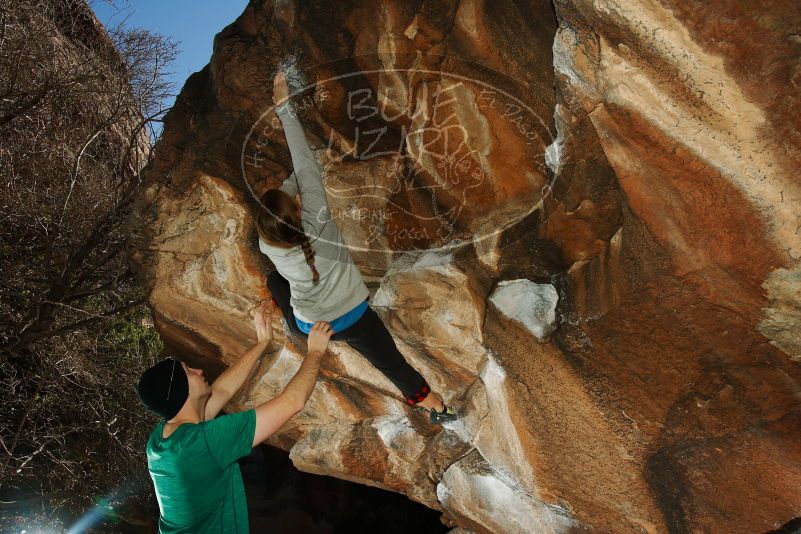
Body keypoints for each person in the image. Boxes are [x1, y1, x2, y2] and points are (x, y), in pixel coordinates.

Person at [255, 68, 456, 424]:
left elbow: (283, 202)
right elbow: (304, 165)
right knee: (393, 365)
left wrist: (290, 188)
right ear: (297, 208)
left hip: (313, 327)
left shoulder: (267, 243)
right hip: (353, 316)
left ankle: (275, 300)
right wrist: (283, 105)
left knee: (275, 282)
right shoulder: (316, 213)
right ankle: (436, 407)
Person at [136, 304, 334, 533]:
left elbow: (221, 392)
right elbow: (292, 402)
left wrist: (262, 343)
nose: (199, 370)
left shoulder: (164, 439)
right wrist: (316, 351)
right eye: (189, 371)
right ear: (182, 392)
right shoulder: (201, 443)